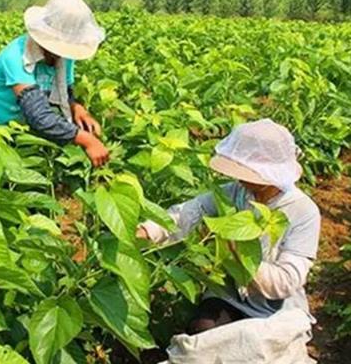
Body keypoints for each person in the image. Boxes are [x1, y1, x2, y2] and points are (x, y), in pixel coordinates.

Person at [137, 119, 321, 334]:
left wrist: (238, 253)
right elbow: (185, 215)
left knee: (262, 348)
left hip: (276, 308)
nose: (237, 178)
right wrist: (145, 232)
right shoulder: (234, 192)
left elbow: (286, 282)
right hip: (229, 295)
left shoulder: (303, 212)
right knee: (204, 331)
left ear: (268, 175)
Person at [0, 0, 109, 167]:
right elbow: (37, 115)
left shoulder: (65, 56)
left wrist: (77, 108)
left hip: (15, 127)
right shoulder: (16, 57)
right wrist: (87, 140)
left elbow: (65, 92)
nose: (59, 54)